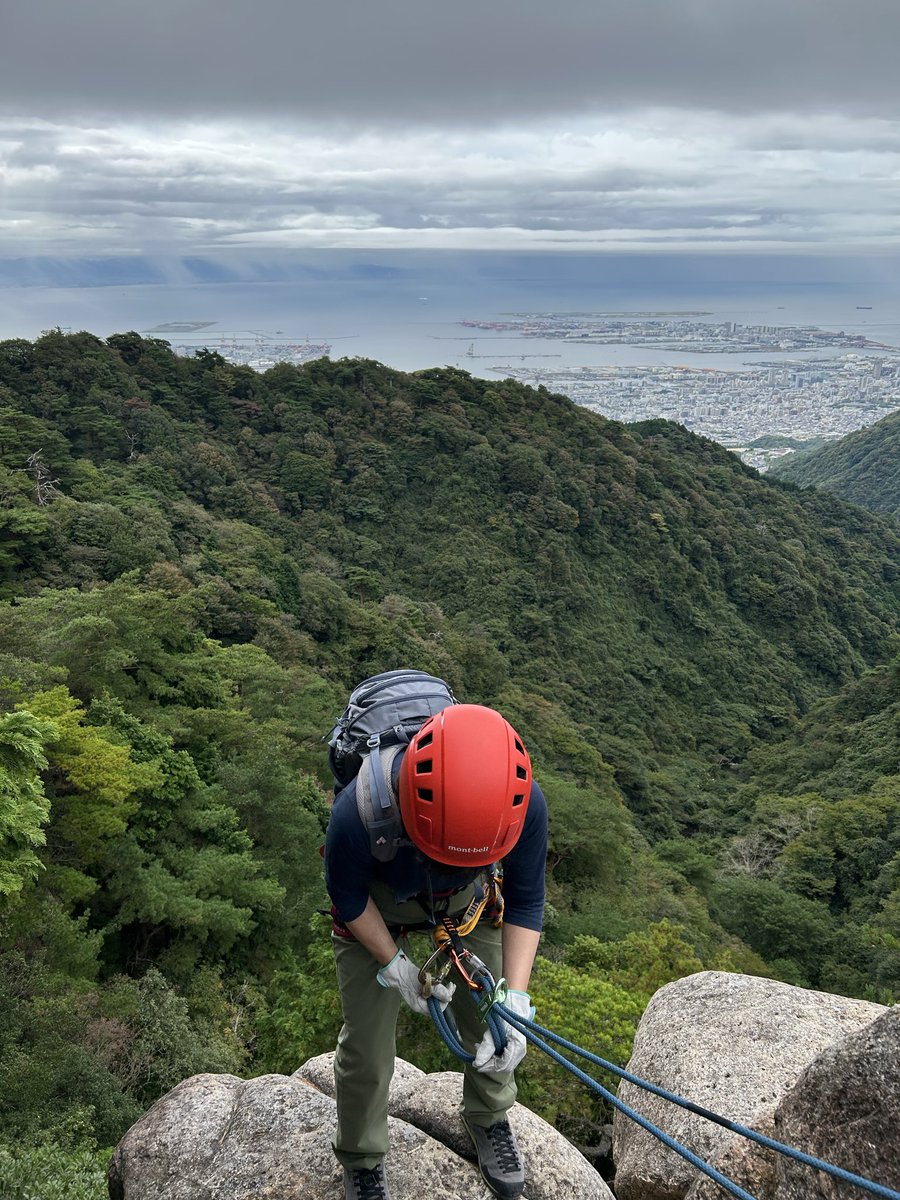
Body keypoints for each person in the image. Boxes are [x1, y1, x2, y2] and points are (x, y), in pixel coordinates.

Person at [324, 702, 548, 1200]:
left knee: (492, 1016)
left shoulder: (523, 804)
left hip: (466, 897)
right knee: (367, 1044)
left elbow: (527, 900)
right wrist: (393, 965)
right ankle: (362, 1156)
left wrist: (516, 1000)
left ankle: (488, 1117)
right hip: (378, 905)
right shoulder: (360, 811)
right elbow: (347, 897)